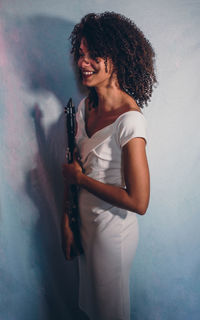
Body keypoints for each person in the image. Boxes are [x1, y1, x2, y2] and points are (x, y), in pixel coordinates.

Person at [62, 11, 157, 320]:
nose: (82, 62)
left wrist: (80, 181)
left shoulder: (129, 121)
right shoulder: (83, 107)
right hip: (86, 227)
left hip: (111, 235)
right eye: (81, 54)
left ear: (114, 58)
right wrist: (67, 221)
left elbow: (139, 202)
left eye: (93, 55)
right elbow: (75, 166)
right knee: (93, 312)